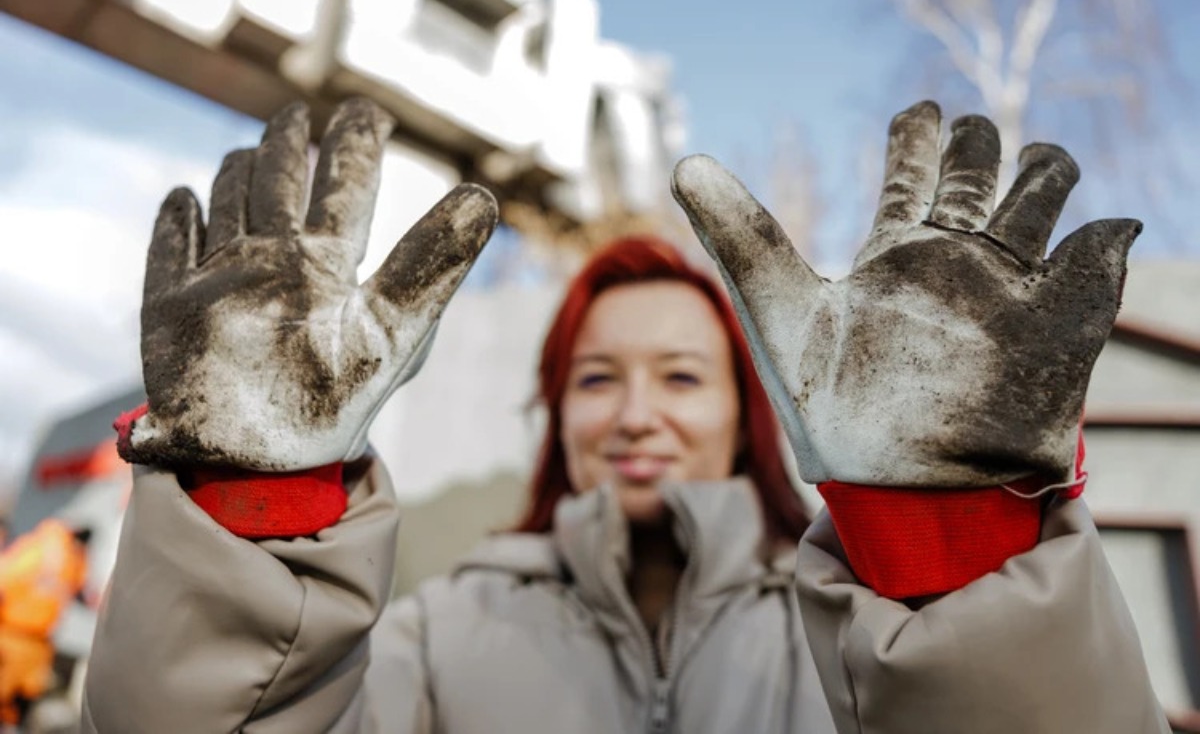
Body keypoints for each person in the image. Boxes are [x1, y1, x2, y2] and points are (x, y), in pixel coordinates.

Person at [80, 97, 1168, 733]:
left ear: (755, 410)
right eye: (597, 378)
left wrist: (948, 544)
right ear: (556, 414)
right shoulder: (428, 638)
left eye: (683, 376)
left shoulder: (857, 633)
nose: (636, 411)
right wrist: (254, 500)